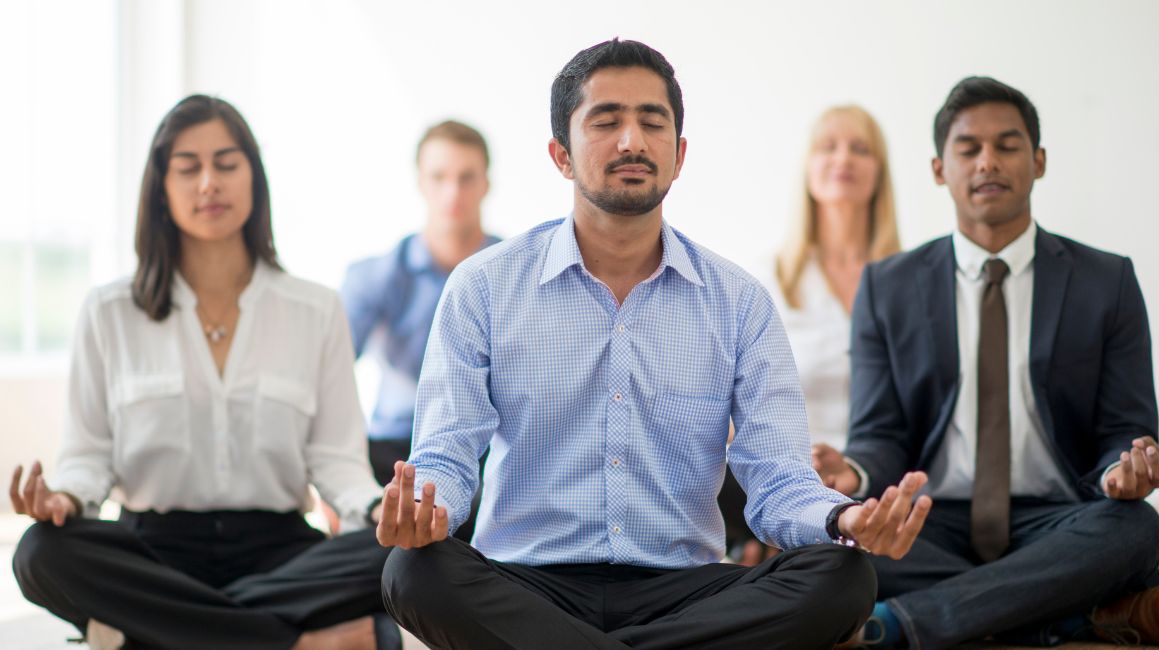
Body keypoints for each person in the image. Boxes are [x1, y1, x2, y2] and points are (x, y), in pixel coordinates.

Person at [374, 38, 933, 650]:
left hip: (682, 587)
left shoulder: (738, 301)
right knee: (413, 570)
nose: (632, 141)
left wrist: (840, 518)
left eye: (652, 122)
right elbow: (447, 454)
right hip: (526, 583)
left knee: (844, 573)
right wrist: (428, 511)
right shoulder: (485, 286)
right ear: (561, 154)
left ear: (679, 154)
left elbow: (777, 480)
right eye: (606, 121)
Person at [814, 77, 1159, 648]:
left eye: (1008, 145)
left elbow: (1125, 427)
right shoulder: (887, 288)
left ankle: (903, 625)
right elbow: (880, 433)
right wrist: (855, 473)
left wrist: (1124, 467)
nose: (988, 161)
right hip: (931, 519)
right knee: (827, 549)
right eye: (968, 149)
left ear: (1038, 161)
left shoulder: (1105, 281)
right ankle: (1069, 614)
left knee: (1136, 528)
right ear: (940, 168)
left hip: (1056, 519)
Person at [9, 95, 398, 650]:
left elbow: (336, 459)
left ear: (253, 178)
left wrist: (379, 509)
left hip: (279, 549)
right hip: (154, 552)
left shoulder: (316, 308)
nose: (209, 183)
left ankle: (145, 635)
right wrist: (64, 499)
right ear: (162, 190)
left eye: (226, 163)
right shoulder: (109, 310)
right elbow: (88, 455)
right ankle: (299, 644)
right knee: (40, 553)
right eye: (188, 168)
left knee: (407, 555)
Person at [721, 105, 901, 565]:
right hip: (789, 478)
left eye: (860, 149)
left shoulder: (912, 282)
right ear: (807, 169)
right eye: (828, 147)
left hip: (880, 476)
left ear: (879, 172)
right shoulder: (766, 280)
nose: (843, 158)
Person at [341, 120, 499, 542]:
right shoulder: (375, 276)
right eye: (439, 177)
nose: (453, 192)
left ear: (486, 182)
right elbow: (328, 378)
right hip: (392, 448)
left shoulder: (514, 275)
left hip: (484, 451)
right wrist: (335, 482)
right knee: (378, 533)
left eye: (467, 178)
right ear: (420, 183)